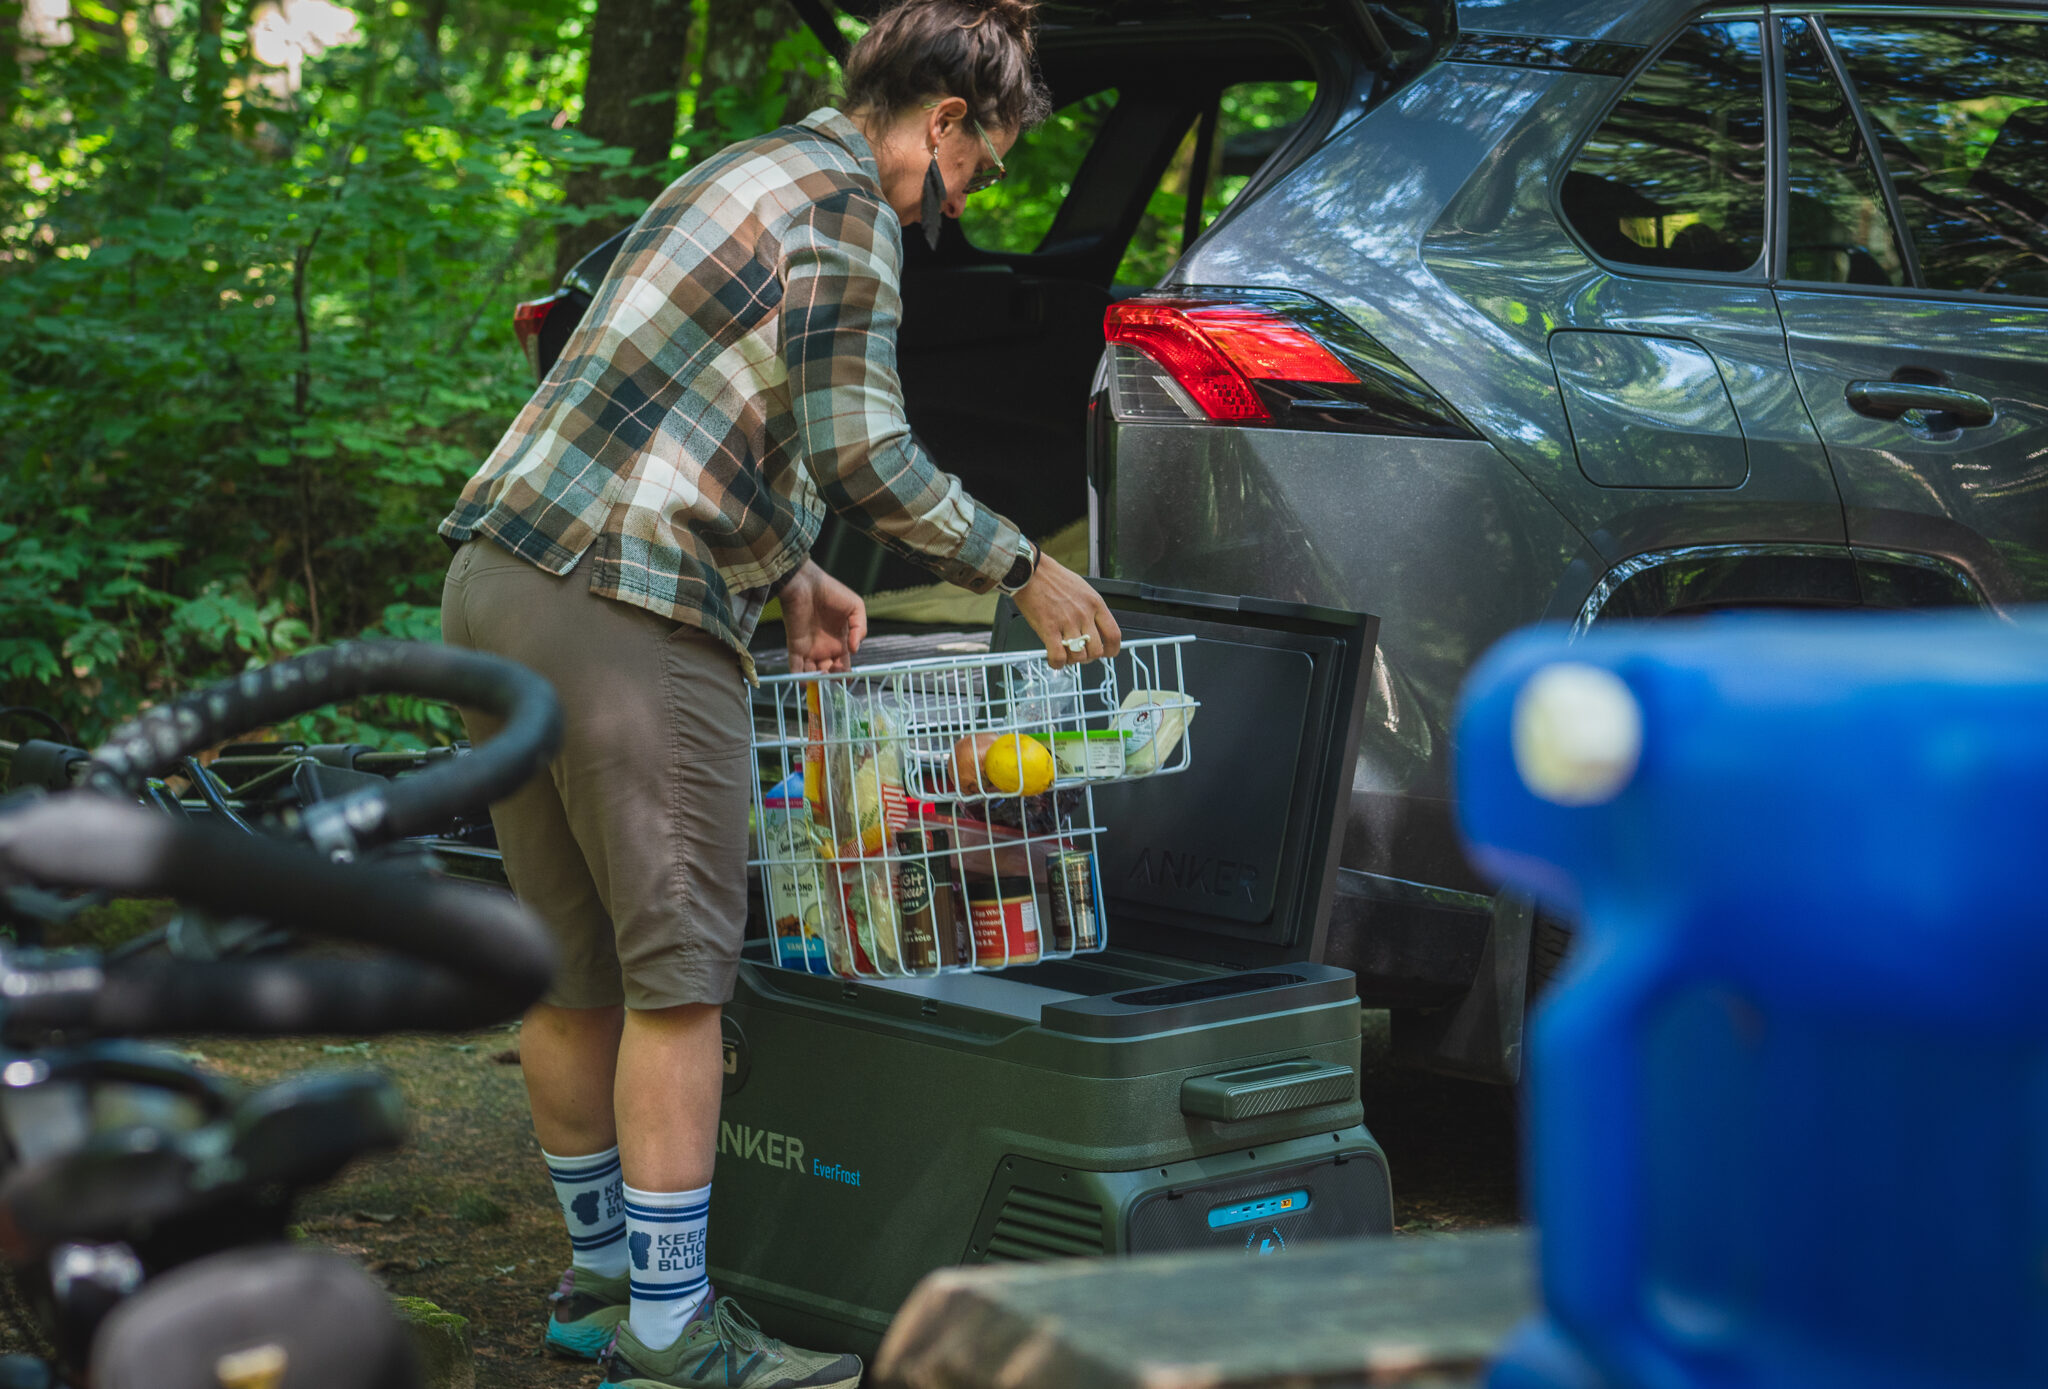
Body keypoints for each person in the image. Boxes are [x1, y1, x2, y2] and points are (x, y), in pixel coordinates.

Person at [437, 1, 1119, 1384]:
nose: (956, 202)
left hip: (497, 589)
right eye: (976, 169)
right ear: (943, 122)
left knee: (573, 976)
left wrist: (794, 567)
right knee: (681, 982)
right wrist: (1020, 568)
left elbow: (684, 396)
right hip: (631, 614)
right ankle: (679, 1332)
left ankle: (601, 1288)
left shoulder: (740, 172)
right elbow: (861, 443)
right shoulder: (854, 205)